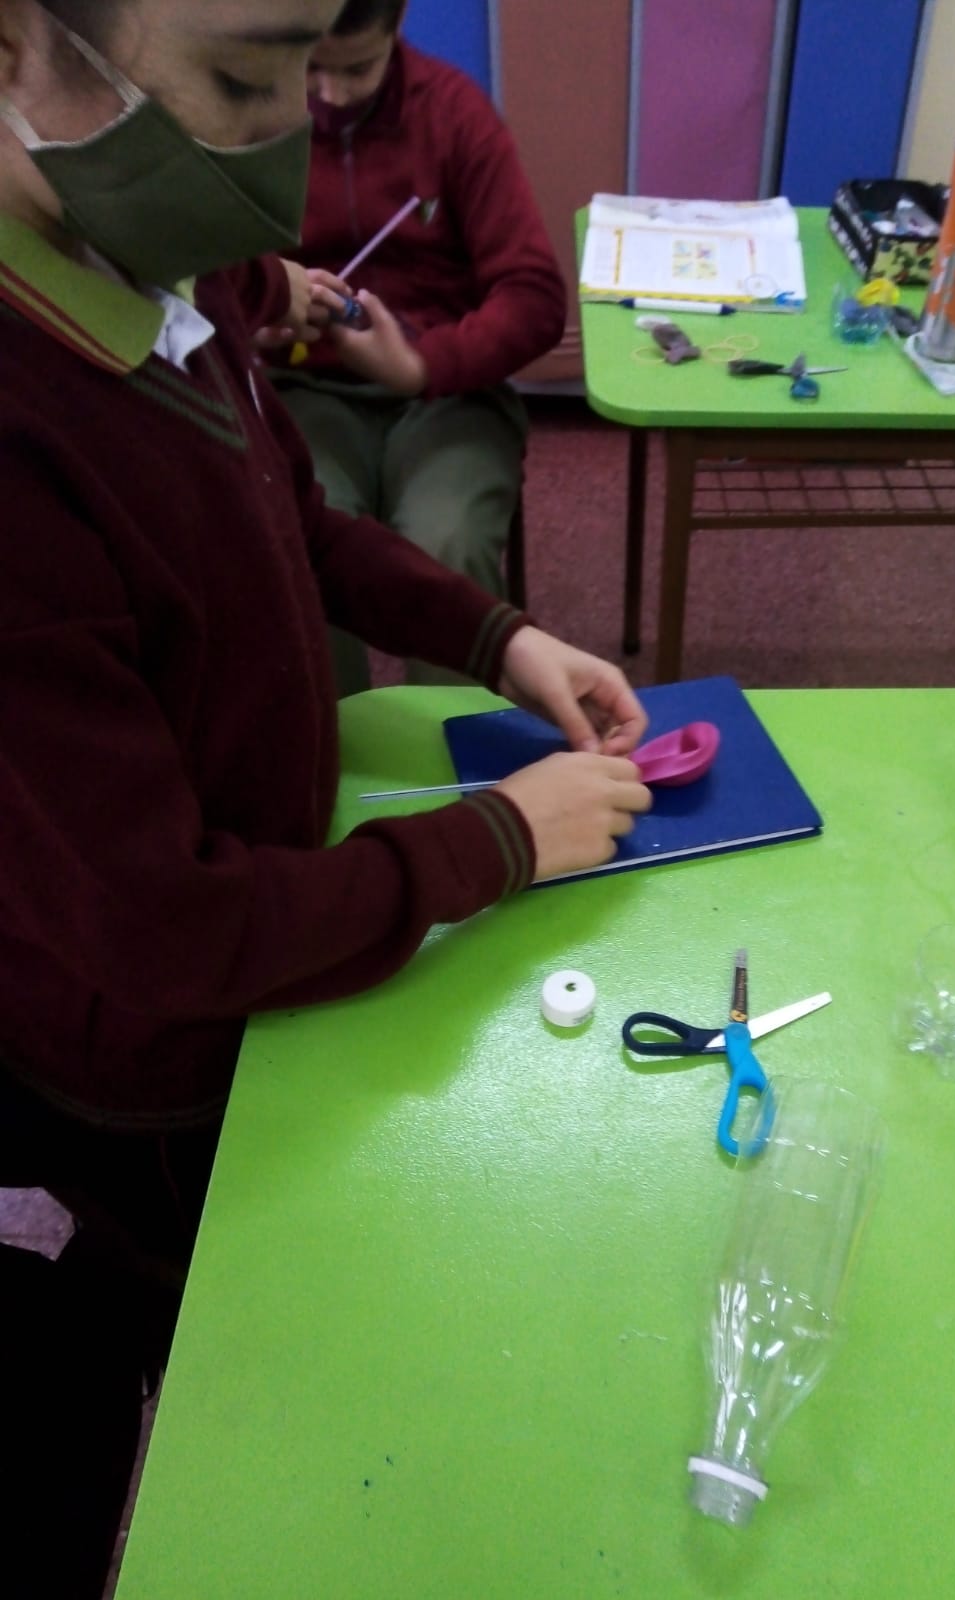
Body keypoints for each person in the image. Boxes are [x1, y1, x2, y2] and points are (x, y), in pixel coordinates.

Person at [0, 5, 648, 1580]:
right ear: (17, 47)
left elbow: (292, 515)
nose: (286, 152)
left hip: (271, 940)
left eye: (309, 73)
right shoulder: (24, 450)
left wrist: (498, 636)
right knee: (217, 1373)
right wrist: (497, 838)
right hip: (149, 1066)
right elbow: (159, 925)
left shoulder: (170, 270)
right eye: (242, 79)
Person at [262, 0, 567, 691]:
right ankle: (336, 743)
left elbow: (535, 298)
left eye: (357, 70)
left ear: (397, 26)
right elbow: (205, 277)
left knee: (446, 544)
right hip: (305, 388)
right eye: (311, 67)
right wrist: (257, 306)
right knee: (298, 540)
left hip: (449, 397)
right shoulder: (254, 116)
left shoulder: (453, 114)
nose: (331, 95)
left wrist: (422, 364)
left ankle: (459, 747)